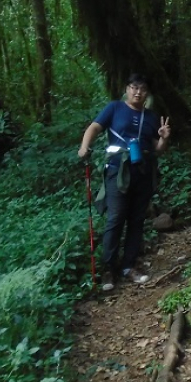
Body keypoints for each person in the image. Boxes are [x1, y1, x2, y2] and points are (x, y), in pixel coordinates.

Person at [78, 74, 172, 291]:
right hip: (117, 170)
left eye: (142, 89)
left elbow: (157, 149)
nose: (138, 92)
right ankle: (108, 269)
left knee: (137, 218)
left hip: (143, 171)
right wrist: (85, 146)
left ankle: (129, 266)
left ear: (147, 93)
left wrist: (164, 137)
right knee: (116, 217)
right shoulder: (114, 108)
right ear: (127, 89)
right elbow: (94, 127)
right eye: (134, 87)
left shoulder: (151, 116)